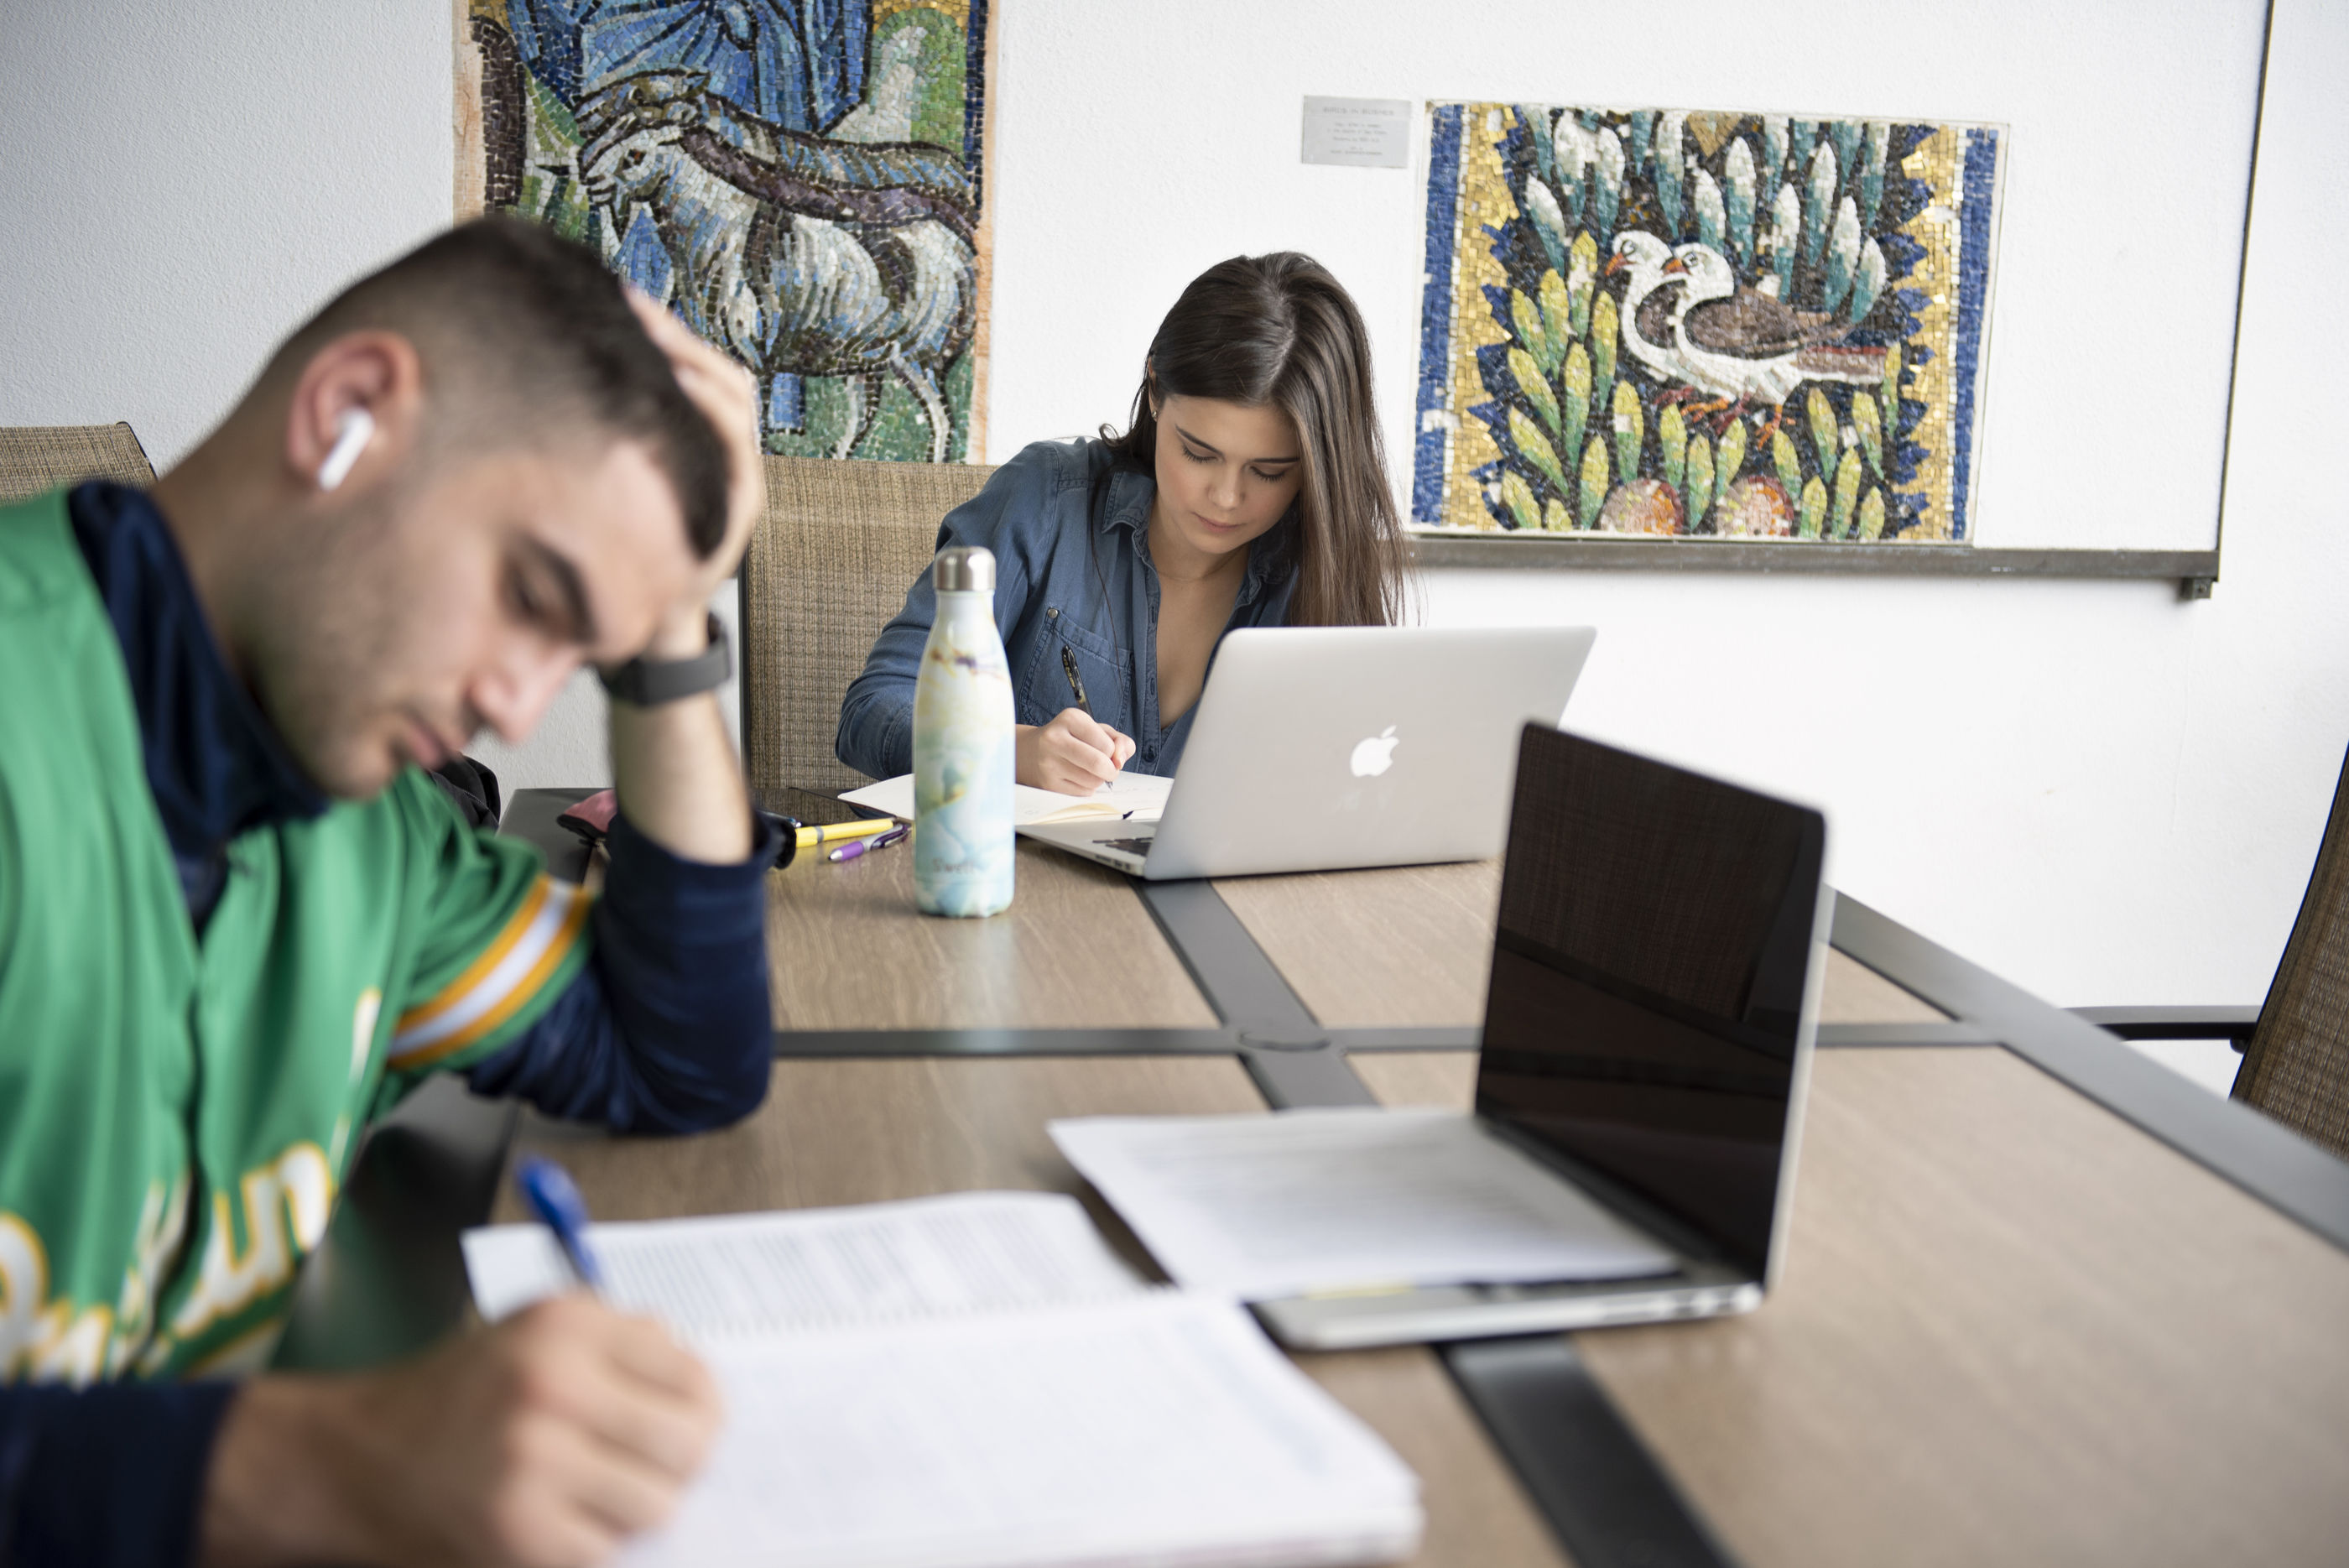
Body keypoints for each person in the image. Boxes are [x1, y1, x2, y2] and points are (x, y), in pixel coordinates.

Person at [0, 217, 777, 1566]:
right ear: (349, 413)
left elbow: (680, 1059)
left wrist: (664, 630)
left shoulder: (375, 829)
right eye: (533, 594)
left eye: (578, 655)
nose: (519, 702)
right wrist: (317, 1462)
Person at [836, 253, 1410, 794]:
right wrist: (1011, 753)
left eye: (1268, 471)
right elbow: (872, 712)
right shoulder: (1045, 501)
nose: (1227, 497)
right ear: (1156, 390)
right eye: (1199, 454)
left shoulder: (1322, 572)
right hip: (1022, 889)